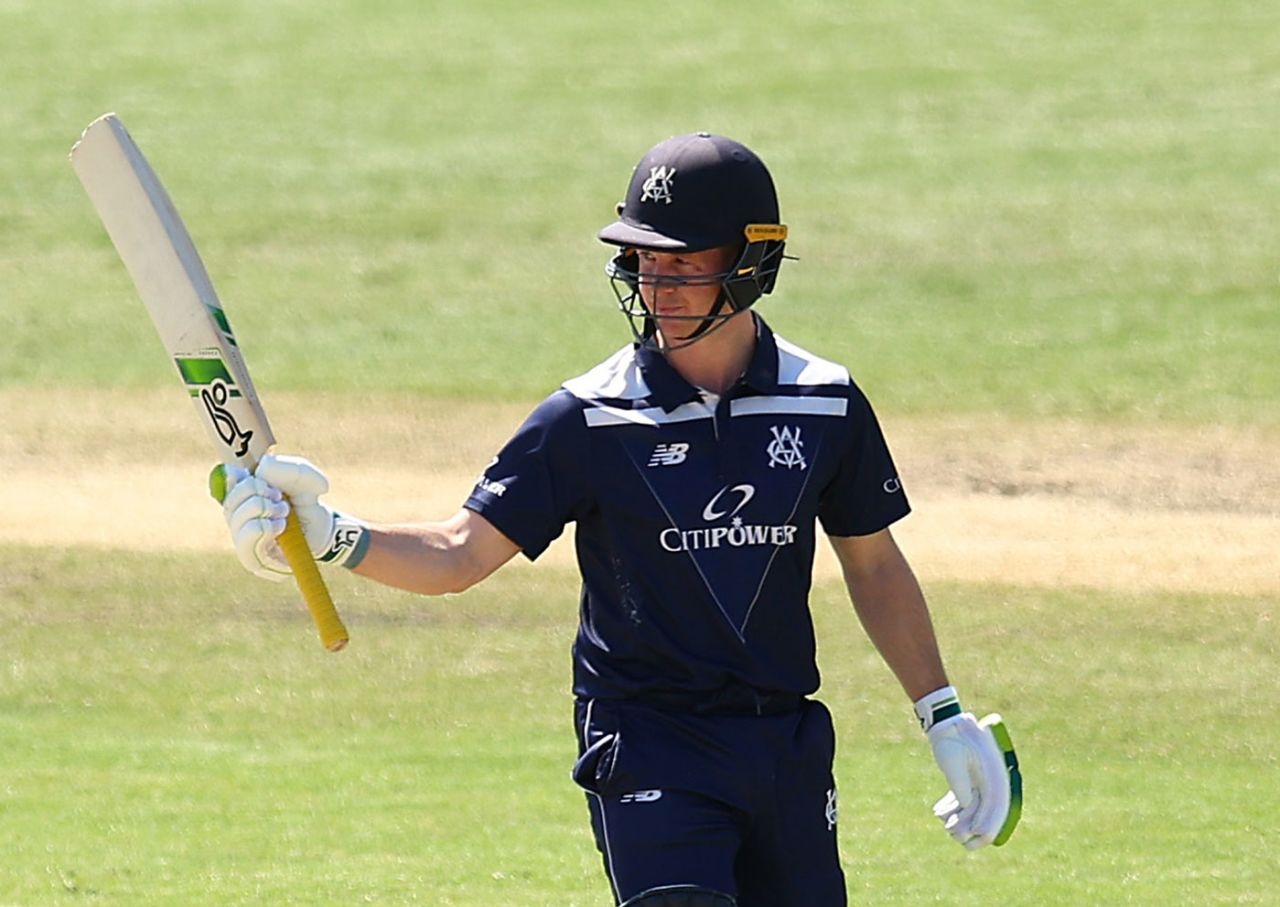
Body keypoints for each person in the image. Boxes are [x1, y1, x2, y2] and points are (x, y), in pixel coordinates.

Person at [219, 132, 1020, 906]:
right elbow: (459, 553)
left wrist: (941, 714)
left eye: (684, 264)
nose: (656, 285)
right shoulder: (588, 418)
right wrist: (333, 536)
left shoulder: (826, 402)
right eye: (644, 261)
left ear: (752, 263)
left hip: (784, 744)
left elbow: (874, 566)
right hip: (648, 742)